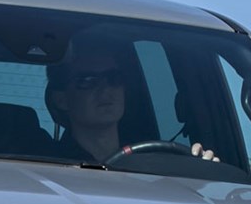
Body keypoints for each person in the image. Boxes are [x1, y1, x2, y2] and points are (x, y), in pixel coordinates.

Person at [45, 44, 218, 164]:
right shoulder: (47, 165)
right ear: (61, 99)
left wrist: (202, 168)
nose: (106, 90)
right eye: (88, 80)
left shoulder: (159, 163)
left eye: (114, 78)